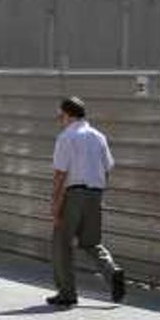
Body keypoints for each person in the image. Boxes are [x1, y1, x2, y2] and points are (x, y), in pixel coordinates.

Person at [48, 96, 126, 307]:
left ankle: (67, 293)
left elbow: (60, 174)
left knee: (62, 243)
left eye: (61, 116)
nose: (60, 120)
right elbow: (108, 168)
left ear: (67, 115)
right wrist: (99, 193)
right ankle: (113, 271)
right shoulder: (98, 136)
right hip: (95, 193)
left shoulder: (67, 137)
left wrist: (55, 204)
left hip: (74, 194)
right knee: (91, 242)